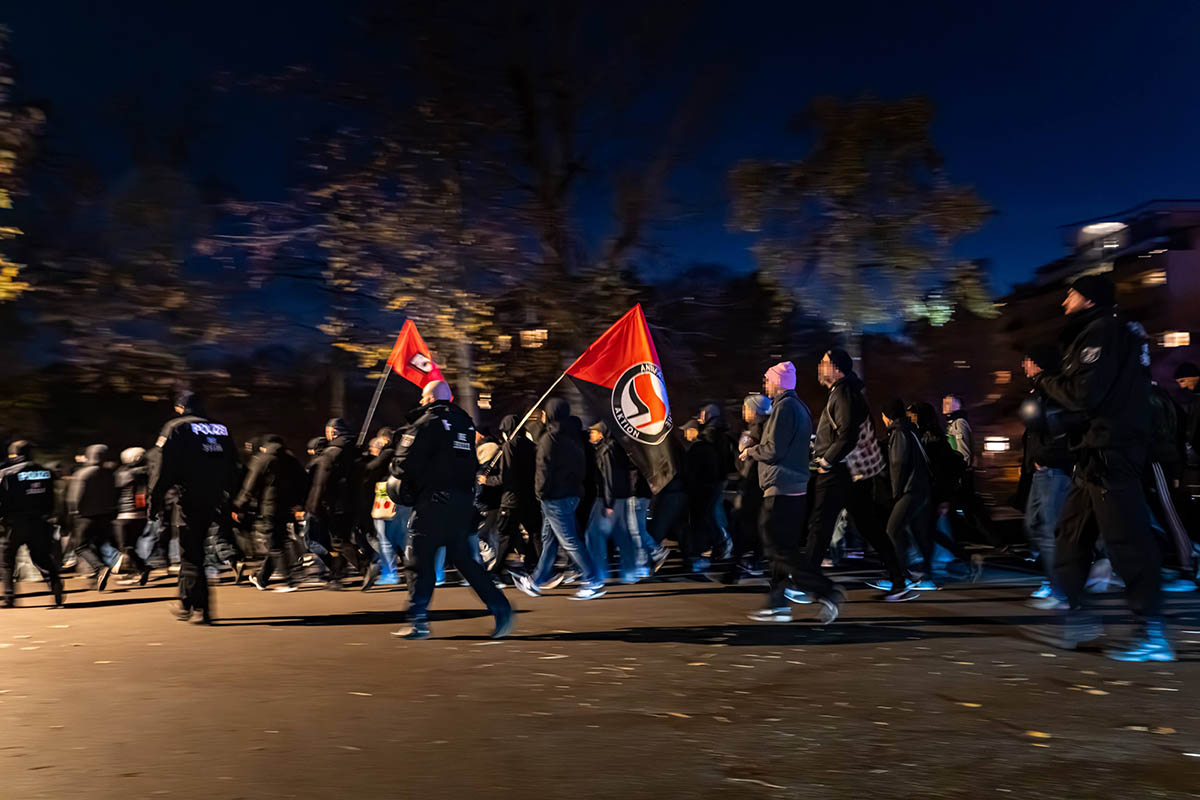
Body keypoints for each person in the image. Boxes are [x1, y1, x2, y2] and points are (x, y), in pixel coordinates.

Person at [1024, 274, 1171, 661]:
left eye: (1070, 294)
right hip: (1092, 453)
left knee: (1128, 542)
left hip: (1111, 451)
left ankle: (1152, 634)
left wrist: (1043, 380)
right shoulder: (1100, 332)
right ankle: (1081, 615)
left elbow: (1084, 394)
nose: (1063, 302)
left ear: (1088, 299)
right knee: (1070, 535)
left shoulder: (1103, 332)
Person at [389, 380, 513, 640]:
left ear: (431, 398)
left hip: (432, 504)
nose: (421, 402)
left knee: (419, 561)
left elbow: (402, 464)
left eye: (424, 397)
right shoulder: (464, 424)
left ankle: (418, 620)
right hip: (461, 504)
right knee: (465, 561)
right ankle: (501, 607)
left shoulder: (426, 423)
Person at [742, 361, 844, 623]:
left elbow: (773, 450)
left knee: (776, 547)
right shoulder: (799, 408)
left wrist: (750, 451)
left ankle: (825, 590)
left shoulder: (784, 408)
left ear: (778, 381)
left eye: (767, 380)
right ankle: (777, 604)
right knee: (783, 548)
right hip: (795, 488)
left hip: (780, 487)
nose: (765, 385)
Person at [807, 349, 910, 599]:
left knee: (821, 525)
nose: (819, 366)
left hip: (841, 471)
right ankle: (899, 580)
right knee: (868, 527)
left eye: (824, 362)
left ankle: (805, 581)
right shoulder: (845, 392)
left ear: (837, 368)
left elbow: (847, 436)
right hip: (854, 474)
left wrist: (826, 460)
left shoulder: (843, 393)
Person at [150, 390, 239, 624]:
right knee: (192, 550)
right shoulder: (220, 429)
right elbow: (234, 466)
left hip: (188, 498)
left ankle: (202, 608)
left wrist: (154, 500)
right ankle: (186, 602)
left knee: (191, 553)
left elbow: (161, 468)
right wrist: (235, 500)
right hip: (216, 498)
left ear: (180, 407)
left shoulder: (176, 427)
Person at [513, 398, 605, 600]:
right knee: (549, 540)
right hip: (570, 495)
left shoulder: (549, 439)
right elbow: (581, 467)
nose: (543, 417)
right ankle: (536, 581)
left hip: (554, 497)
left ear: (551, 414)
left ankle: (594, 579)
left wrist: (539, 493)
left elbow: (543, 471)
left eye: (545, 413)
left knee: (569, 540)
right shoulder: (573, 438)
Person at [1017, 345, 1075, 608]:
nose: (1023, 365)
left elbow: (1060, 433)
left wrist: (1045, 458)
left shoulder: (1052, 393)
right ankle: (1055, 581)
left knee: (1050, 529)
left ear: (1039, 364)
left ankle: (1060, 588)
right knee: (1032, 525)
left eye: (1028, 360)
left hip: (1052, 470)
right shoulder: (1038, 392)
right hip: (1039, 470)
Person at [305, 418, 375, 590]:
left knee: (338, 541)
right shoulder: (356, 452)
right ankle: (336, 576)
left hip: (337, 503)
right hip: (356, 501)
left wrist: (313, 505)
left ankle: (366, 566)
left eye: (328, 431)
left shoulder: (331, 453)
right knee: (343, 539)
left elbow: (321, 482)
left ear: (333, 432)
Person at [238, 434, 308, 592]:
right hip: (288, 507)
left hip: (270, 507)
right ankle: (261, 578)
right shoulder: (291, 459)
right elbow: (303, 481)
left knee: (275, 545)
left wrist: (240, 504)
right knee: (278, 541)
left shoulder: (263, 459)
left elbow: (251, 484)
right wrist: (300, 503)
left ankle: (289, 581)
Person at [0, 441, 64, 608]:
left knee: (7, 561)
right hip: (40, 522)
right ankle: (56, 585)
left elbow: (2, 500)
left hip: (14, 524)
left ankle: (9, 597)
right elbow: (51, 498)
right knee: (41, 557)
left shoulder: (6, 474)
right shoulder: (46, 472)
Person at [881, 398, 934, 595]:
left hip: (910, 489)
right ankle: (923, 576)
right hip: (921, 489)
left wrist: (895, 493)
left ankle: (901, 576)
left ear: (887, 416)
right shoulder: (910, 430)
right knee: (914, 532)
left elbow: (898, 464)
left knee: (893, 529)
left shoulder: (898, 433)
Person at [722, 393, 770, 584]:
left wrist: (745, 451)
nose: (744, 411)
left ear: (756, 410)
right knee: (754, 527)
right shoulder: (755, 429)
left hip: (753, 486)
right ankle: (752, 562)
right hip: (753, 485)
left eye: (747, 407)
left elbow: (751, 461)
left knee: (743, 526)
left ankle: (737, 567)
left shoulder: (758, 429)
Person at [585, 421, 637, 585]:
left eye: (593, 432)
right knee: (621, 534)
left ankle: (600, 570)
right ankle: (629, 571)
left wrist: (608, 504)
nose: (591, 435)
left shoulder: (606, 450)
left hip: (608, 499)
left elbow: (609, 478)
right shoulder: (616, 447)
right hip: (619, 497)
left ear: (601, 433)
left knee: (593, 534)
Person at [67, 444, 120, 592]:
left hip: (85, 517)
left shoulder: (83, 474)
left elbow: (74, 499)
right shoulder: (110, 474)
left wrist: (73, 514)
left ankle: (100, 569)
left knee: (80, 547)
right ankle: (98, 574)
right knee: (98, 545)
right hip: (105, 516)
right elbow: (115, 495)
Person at [495, 414, 542, 575]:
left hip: (512, 499)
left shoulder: (509, 446)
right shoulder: (531, 445)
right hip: (529, 497)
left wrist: (486, 480)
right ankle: (539, 566)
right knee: (535, 533)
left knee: (506, 536)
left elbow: (506, 476)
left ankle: (496, 571)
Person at [365, 428, 404, 588]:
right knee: (402, 536)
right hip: (401, 496)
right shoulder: (404, 453)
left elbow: (372, 468)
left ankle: (389, 573)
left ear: (385, 440)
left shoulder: (388, 453)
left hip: (385, 497)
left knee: (384, 537)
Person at [681, 418, 720, 572]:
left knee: (699, 522)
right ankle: (707, 550)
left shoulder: (698, 449)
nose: (684, 434)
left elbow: (691, 472)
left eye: (686, 431)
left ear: (694, 431)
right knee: (704, 520)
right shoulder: (707, 448)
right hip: (707, 489)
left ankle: (702, 553)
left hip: (699, 491)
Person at [699, 403, 736, 560]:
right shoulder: (721, 434)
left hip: (713, 479)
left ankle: (724, 541)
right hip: (720, 477)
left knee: (713, 511)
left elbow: (710, 458)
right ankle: (722, 543)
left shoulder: (711, 434)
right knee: (715, 510)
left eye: (702, 414)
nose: (700, 418)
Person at [113, 447, 152, 586]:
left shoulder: (123, 473)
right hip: (141, 515)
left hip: (124, 514)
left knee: (124, 546)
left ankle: (140, 568)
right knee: (131, 546)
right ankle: (137, 570)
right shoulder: (147, 472)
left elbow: (114, 493)